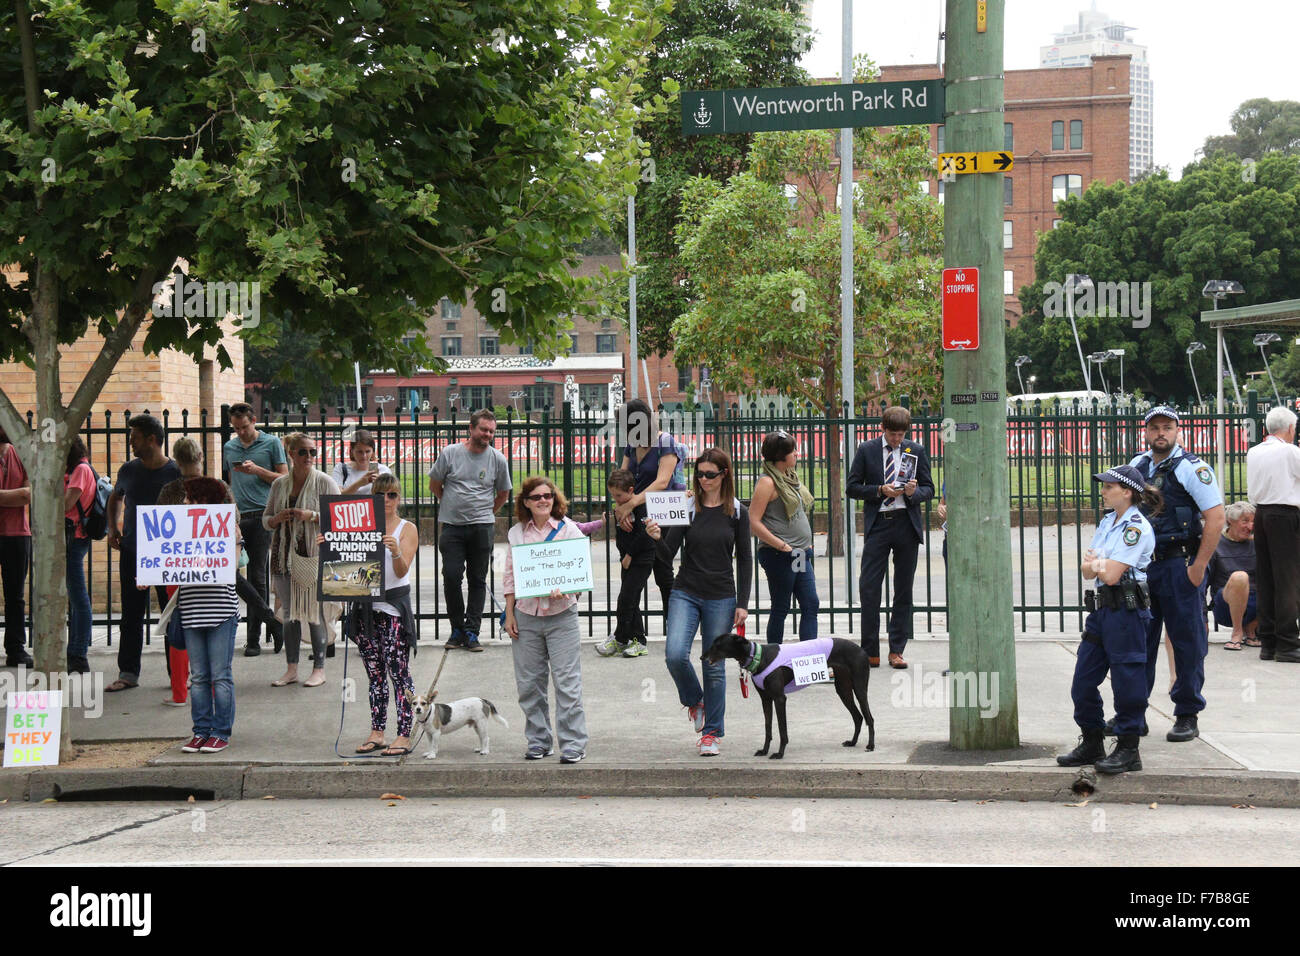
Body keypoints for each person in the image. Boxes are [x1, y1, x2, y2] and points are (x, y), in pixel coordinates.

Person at [1126, 406, 1224, 742]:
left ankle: (1186, 713)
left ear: (1178, 430)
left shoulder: (1192, 468)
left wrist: (1198, 568)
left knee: (1187, 643)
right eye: (1154, 427)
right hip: (1143, 569)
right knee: (1138, 642)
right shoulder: (1137, 467)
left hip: (1178, 565)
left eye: (1167, 427)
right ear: (1146, 432)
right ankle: (1133, 713)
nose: (1161, 433)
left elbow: (1216, 517)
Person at [645, 448, 751, 757]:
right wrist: (655, 538)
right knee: (675, 654)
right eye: (700, 474)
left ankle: (712, 733)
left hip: (721, 595)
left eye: (710, 474)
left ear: (724, 475)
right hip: (686, 590)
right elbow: (668, 553)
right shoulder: (689, 507)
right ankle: (696, 701)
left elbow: (745, 559)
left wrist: (742, 603)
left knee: (713, 665)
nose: (703, 479)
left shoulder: (737, 512)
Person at [1057, 466, 1160, 774]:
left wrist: (1099, 565)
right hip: (1101, 611)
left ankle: (1129, 749)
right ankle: (1092, 740)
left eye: (1109, 486)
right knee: (1083, 680)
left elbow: (1112, 575)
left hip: (1126, 613)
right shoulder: (1107, 521)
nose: (1103, 491)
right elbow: (1086, 570)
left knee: (1128, 681)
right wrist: (1100, 565)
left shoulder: (1136, 527)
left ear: (1126, 491)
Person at [502, 475, 589, 763]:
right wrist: (509, 613)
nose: (543, 501)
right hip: (526, 616)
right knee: (529, 684)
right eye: (537, 497)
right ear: (526, 502)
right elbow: (511, 576)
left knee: (567, 683)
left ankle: (573, 743)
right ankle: (539, 740)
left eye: (548, 496)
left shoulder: (570, 531)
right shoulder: (516, 533)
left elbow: (580, 575)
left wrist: (565, 588)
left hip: (561, 615)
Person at [846, 405, 935, 669]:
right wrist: (879, 490)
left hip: (905, 525)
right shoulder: (867, 450)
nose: (896, 439)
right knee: (870, 588)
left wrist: (911, 493)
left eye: (901, 434)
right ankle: (869, 650)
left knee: (903, 589)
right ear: (882, 429)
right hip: (879, 525)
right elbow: (852, 487)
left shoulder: (915, 451)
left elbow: (928, 488)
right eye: (892, 434)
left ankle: (897, 650)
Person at [339, 473, 419, 757]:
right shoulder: (361, 526)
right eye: (380, 494)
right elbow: (344, 567)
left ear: (399, 498)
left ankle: (404, 733)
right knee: (374, 674)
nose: (386, 500)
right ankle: (377, 731)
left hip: (393, 608)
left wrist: (396, 552)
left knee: (399, 673)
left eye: (392, 495)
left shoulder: (406, 529)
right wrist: (327, 545)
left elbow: (401, 572)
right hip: (365, 609)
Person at [105, 414, 181, 691]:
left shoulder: (175, 472)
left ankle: (177, 674)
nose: (130, 443)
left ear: (152, 439)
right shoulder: (129, 469)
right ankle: (128, 673)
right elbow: (116, 496)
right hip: (133, 550)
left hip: (166, 555)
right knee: (131, 614)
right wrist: (113, 528)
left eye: (134, 438)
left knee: (171, 613)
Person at [428, 409, 511, 652]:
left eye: (491, 431)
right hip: (452, 528)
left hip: (482, 528)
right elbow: (435, 484)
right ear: (471, 428)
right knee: (451, 576)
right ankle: (456, 630)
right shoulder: (450, 453)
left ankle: (472, 632)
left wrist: (486, 513)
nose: (487, 434)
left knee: (478, 580)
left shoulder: (498, 459)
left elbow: (503, 493)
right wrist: (451, 505)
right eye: (484, 429)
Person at [264, 433, 340, 687]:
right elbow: (266, 520)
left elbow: (341, 517)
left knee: (313, 612)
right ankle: (292, 669)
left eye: (312, 452)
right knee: (289, 614)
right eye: (302, 452)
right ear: (291, 454)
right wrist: (276, 519)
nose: (308, 457)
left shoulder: (324, 482)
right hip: (283, 555)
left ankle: (319, 668)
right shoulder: (279, 485)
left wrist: (312, 515)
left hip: (313, 554)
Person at [176, 477, 242, 755]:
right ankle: (200, 731)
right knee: (199, 676)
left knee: (220, 675)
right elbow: (166, 560)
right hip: (191, 609)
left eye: (190, 498)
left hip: (220, 611)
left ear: (205, 501)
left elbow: (232, 565)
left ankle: (220, 732)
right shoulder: (178, 528)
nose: (184, 503)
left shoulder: (230, 528)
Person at [613, 399, 683, 635]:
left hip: (662, 514)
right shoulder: (631, 446)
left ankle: (675, 631)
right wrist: (621, 507)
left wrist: (630, 504)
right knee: (630, 576)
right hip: (634, 514)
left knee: (663, 575)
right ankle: (633, 634)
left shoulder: (665, 442)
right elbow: (623, 477)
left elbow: (663, 482)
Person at [224, 403, 288, 656]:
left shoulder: (271, 443)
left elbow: (283, 477)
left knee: (257, 574)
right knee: (233, 574)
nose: (240, 432)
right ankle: (269, 619)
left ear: (254, 420)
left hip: (263, 513)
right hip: (238, 516)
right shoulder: (230, 447)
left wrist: (257, 470)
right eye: (236, 428)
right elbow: (230, 481)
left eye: (244, 427)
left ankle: (253, 639)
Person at [749, 429, 818, 644]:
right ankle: (773, 661)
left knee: (810, 603)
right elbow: (753, 521)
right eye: (792, 451)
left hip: (799, 554)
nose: (797, 454)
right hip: (780, 555)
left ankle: (809, 658)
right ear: (781, 456)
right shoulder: (767, 483)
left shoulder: (788, 477)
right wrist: (782, 546)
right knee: (781, 607)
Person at [1245, 405, 1300, 663]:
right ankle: (1288, 642)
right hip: (1286, 515)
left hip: (1262, 513)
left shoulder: (1254, 452)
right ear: (1290, 428)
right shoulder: (1290, 451)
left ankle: (1268, 641)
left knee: (1267, 578)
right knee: (1288, 579)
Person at [595, 468, 656, 658]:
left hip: (641, 558)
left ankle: (621, 638)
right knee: (631, 600)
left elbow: (646, 535)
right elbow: (621, 536)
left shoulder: (642, 507)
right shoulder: (618, 508)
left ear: (631, 491)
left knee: (626, 600)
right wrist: (624, 555)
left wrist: (629, 554)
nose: (616, 499)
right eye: (613, 495)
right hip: (627, 559)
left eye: (619, 495)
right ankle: (636, 640)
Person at [1206, 502, 1258, 652]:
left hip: (1257, 603)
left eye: (1253, 521)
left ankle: (1251, 628)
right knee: (1240, 577)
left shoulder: (1257, 543)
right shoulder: (1216, 544)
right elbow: (1202, 584)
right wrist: (1203, 620)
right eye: (1245, 521)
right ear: (1231, 521)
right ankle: (1237, 632)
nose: (1250, 526)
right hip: (1225, 606)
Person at [63, 437, 96, 674]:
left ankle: (78, 654)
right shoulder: (81, 468)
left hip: (74, 537)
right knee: (75, 598)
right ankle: (75, 651)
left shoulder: (81, 470)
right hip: (74, 537)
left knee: (79, 598)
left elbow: (66, 504)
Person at [0, 426, 32, 667]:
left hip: (18, 534)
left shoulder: (20, 455)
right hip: (13, 534)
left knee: (16, 596)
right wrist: (18, 494)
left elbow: (30, 494)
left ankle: (16, 649)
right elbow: (23, 494)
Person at [331, 428, 392, 496]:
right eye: (359, 452)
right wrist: (360, 483)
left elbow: (389, 498)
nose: (364, 456)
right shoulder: (341, 469)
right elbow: (337, 497)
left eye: (367, 451)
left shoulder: (383, 470)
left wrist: (380, 485)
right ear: (352, 451)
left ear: (373, 451)